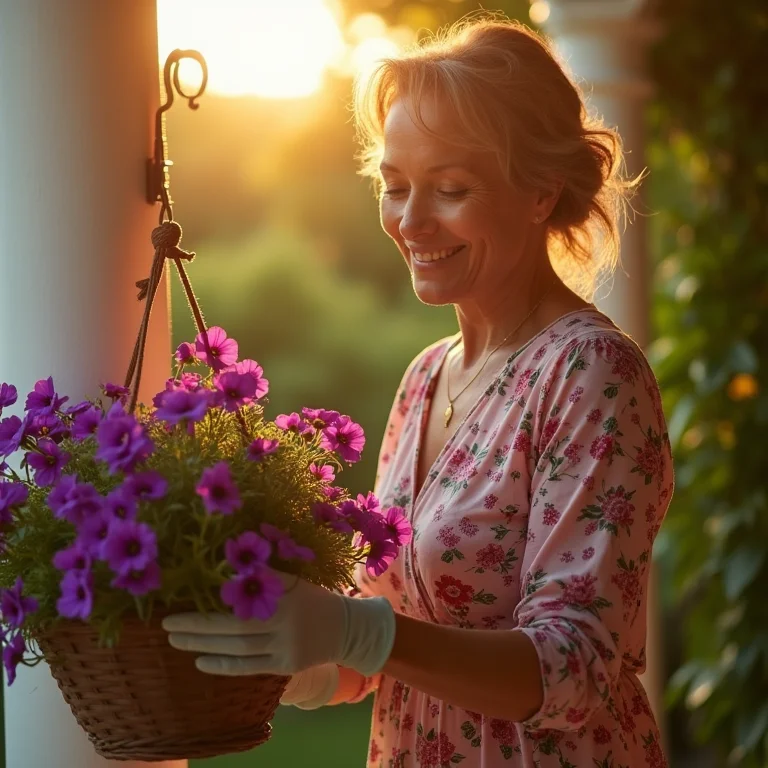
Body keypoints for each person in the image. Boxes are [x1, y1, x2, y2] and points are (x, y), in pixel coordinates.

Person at [163, 16, 674, 768]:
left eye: (451, 189)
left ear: (541, 192)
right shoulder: (426, 378)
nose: (410, 220)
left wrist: (359, 632)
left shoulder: (591, 376)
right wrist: (310, 660)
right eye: (395, 186)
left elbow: (577, 667)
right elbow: (401, 628)